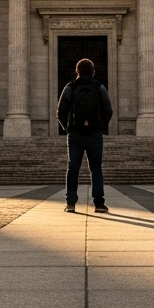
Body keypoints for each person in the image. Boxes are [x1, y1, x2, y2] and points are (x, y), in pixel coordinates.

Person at [57, 57, 113, 214]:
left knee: (73, 167)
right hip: (94, 134)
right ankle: (99, 204)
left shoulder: (70, 87)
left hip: (75, 134)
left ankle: (71, 203)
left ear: (77, 71)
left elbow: (60, 111)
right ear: (93, 72)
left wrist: (68, 128)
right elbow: (108, 110)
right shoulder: (99, 87)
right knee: (96, 168)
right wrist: (100, 127)